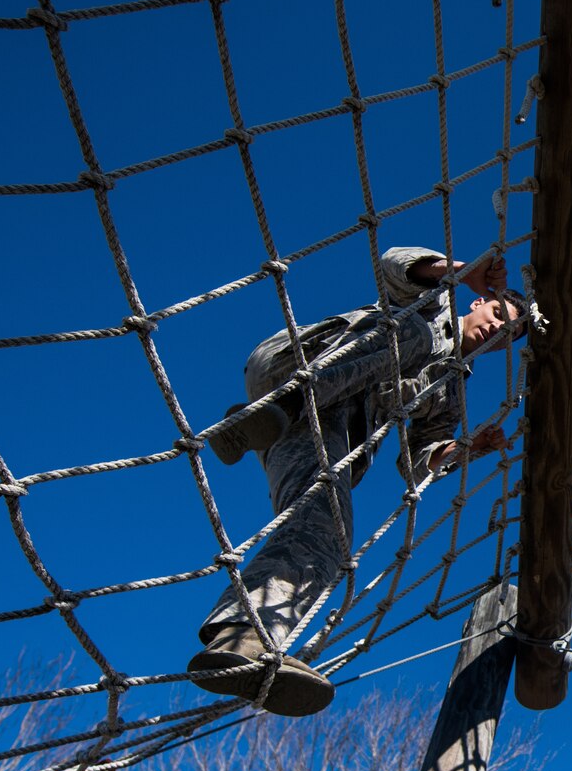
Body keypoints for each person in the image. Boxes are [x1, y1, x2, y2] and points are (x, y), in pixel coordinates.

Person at [189, 246, 526, 717]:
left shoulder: (448, 392)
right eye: (498, 314)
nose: (497, 329)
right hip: (295, 368)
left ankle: (245, 639)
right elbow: (394, 264)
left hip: (317, 434)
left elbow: (418, 460)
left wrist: (467, 448)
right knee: (414, 335)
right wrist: (461, 272)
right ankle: (281, 405)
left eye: (508, 333)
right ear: (478, 304)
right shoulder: (428, 307)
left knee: (329, 525)